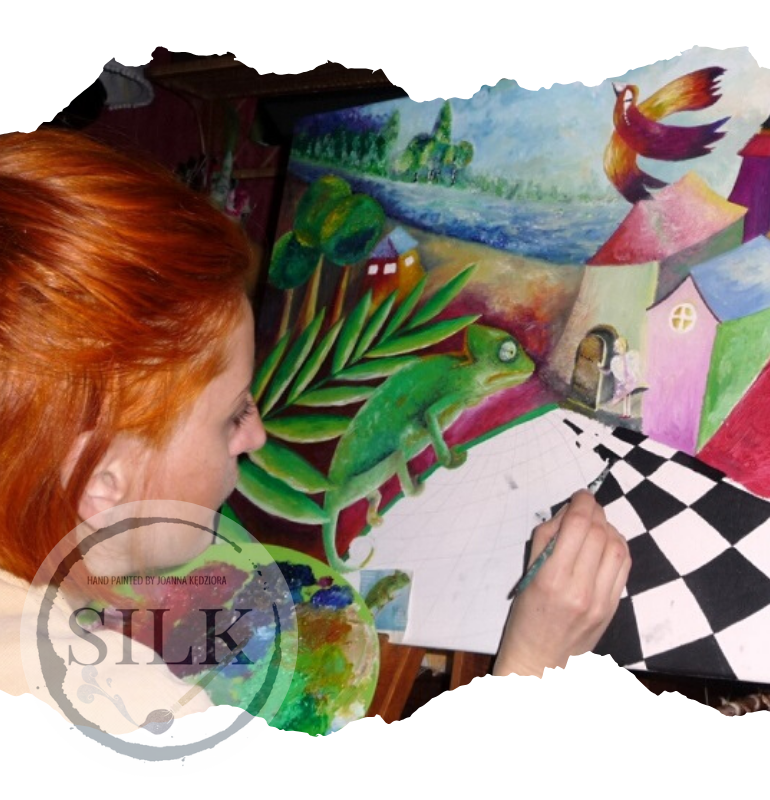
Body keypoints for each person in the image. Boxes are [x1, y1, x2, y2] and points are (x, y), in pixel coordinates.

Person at [0, 130, 630, 729]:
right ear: (104, 481)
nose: (257, 437)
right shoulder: (119, 709)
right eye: (232, 417)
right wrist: (534, 665)